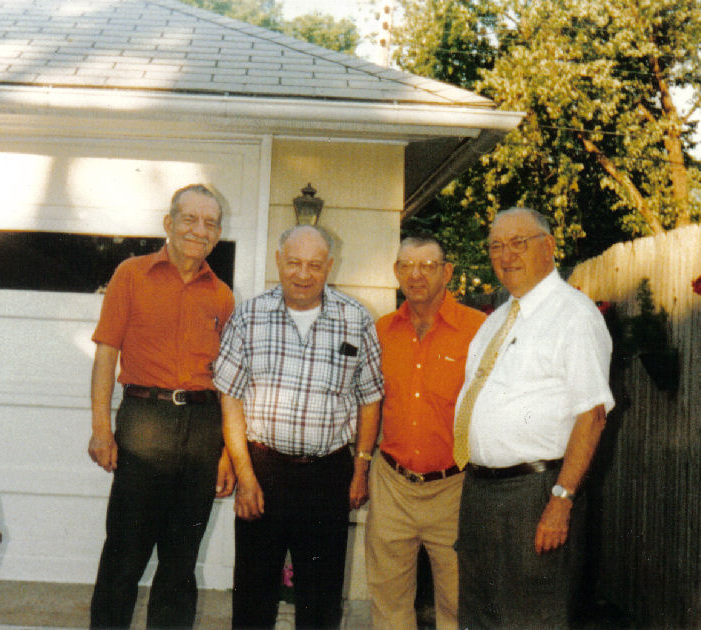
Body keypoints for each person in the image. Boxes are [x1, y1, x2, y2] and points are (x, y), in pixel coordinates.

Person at [213, 224, 384, 630]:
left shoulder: (356, 319)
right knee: (253, 597)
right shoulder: (249, 316)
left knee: (321, 601)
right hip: (263, 469)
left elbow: (370, 398)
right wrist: (245, 476)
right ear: (278, 261)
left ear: (329, 266)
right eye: (293, 263)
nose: (303, 274)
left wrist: (360, 467)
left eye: (314, 265)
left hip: (327, 474)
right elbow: (230, 399)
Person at [452, 207, 615, 629]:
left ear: (549, 247)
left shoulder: (574, 316)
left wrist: (561, 500)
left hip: (535, 494)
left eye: (518, 243)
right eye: (496, 246)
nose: (506, 255)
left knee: (532, 618)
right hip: (480, 492)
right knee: (479, 618)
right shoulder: (495, 321)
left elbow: (592, 415)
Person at [87, 184, 236, 630]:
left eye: (210, 223)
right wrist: (101, 429)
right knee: (124, 556)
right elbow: (106, 354)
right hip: (144, 423)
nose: (199, 230)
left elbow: (229, 383)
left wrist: (228, 453)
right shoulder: (131, 275)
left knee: (180, 562)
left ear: (218, 234)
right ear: (169, 223)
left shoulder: (222, 296)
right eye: (190, 219)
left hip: (203, 427)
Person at [365, 235, 486, 630]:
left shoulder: (477, 329)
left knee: (457, 600)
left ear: (447, 272)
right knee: (388, 600)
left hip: (454, 487)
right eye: (406, 266)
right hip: (392, 484)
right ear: (396, 272)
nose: (416, 275)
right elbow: (367, 402)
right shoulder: (382, 331)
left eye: (428, 266)